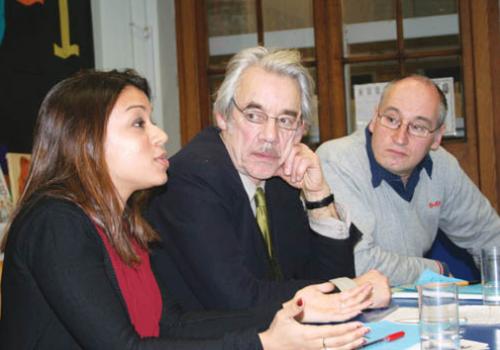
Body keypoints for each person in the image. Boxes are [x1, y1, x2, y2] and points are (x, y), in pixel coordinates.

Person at [0, 69, 372, 349]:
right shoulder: (55, 224)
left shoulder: (125, 223)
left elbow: (170, 324)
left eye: (152, 121)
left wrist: (293, 313)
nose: (160, 135)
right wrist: (264, 343)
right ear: (86, 141)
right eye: (138, 123)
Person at [147, 46, 390, 314]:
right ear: (223, 116)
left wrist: (318, 195)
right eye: (254, 116)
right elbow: (238, 299)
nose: (270, 136)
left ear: (301, 131)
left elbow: (321, 275)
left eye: (286, 120)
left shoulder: (278, 179)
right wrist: (349, 291)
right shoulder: (191, 178)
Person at [317, 74, 500, 286]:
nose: (400, 138)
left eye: (418, 127)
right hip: (346, 308)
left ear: (437, 137)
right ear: (374, 119)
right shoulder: (337, 160)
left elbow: (489, 237)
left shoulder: (442, 167)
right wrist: (435, 270)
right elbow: (358, 262)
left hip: (409, 310)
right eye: (392, 119)